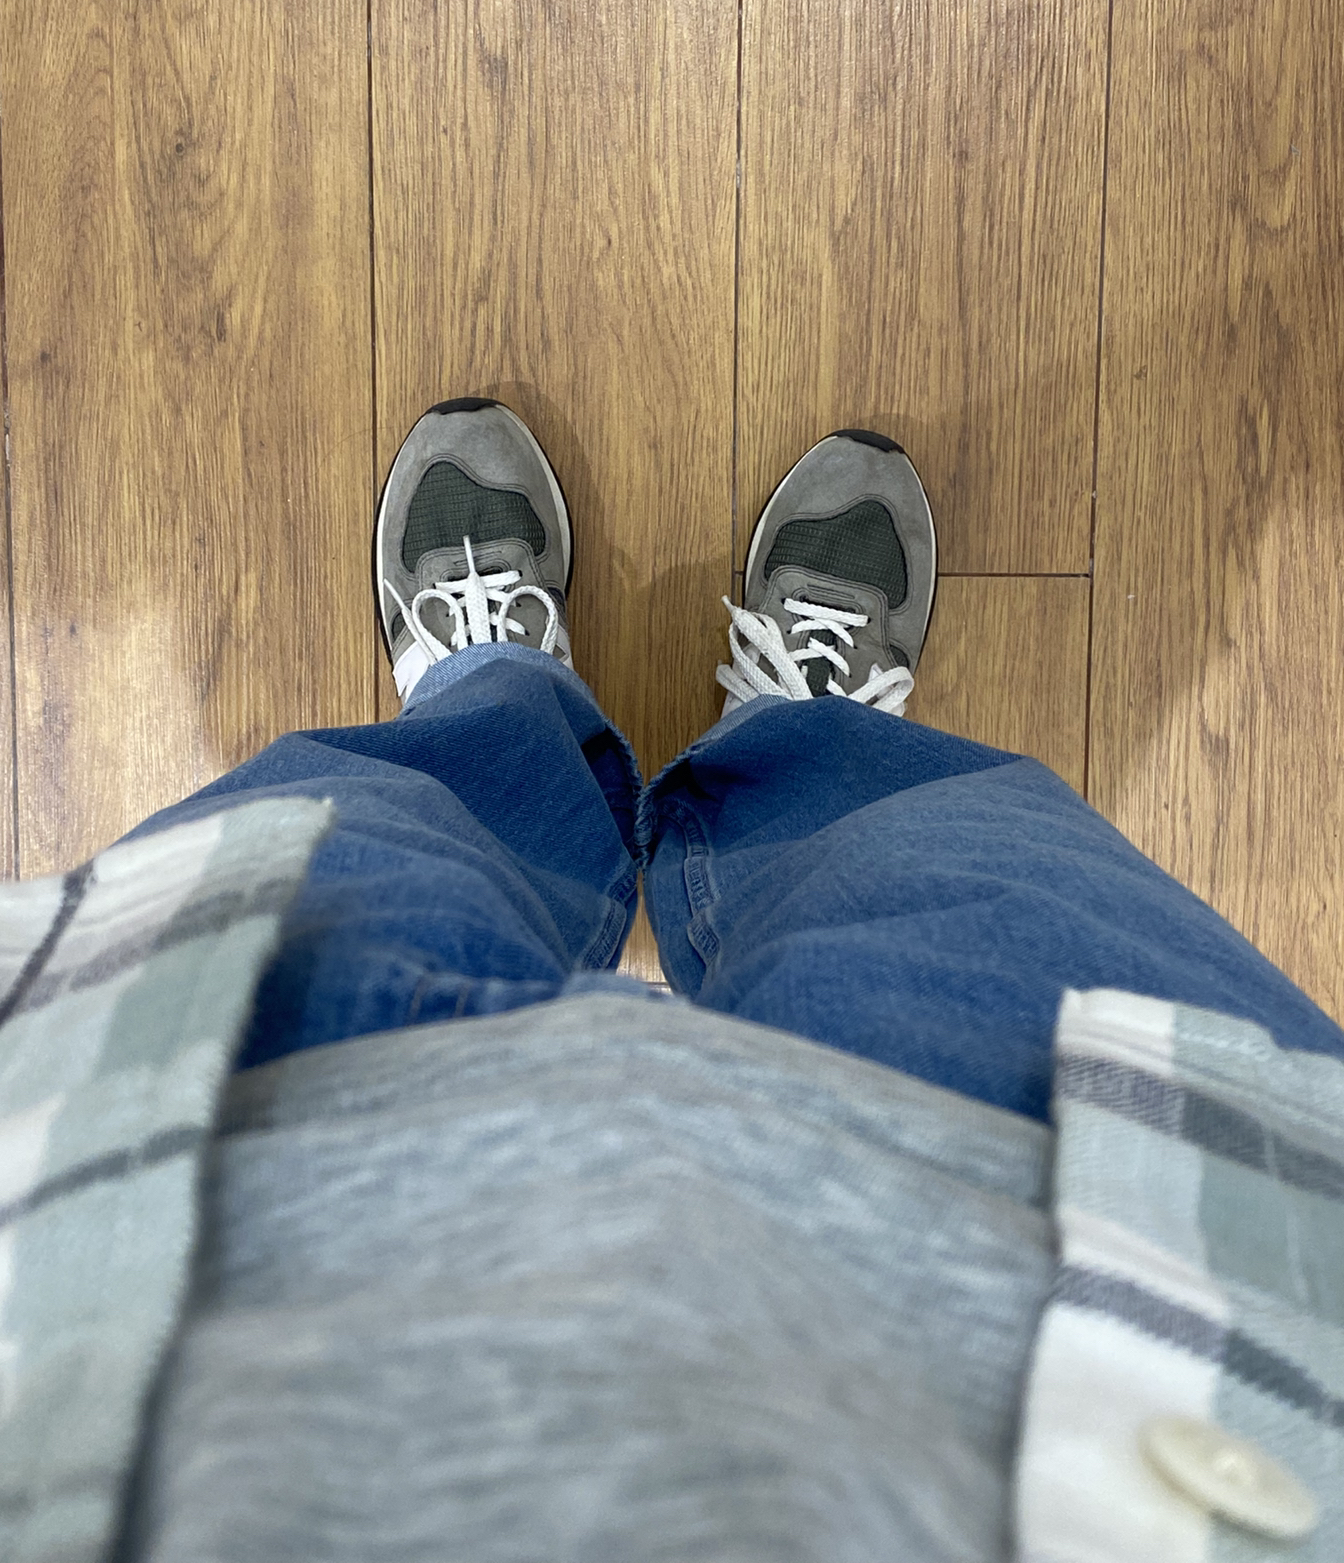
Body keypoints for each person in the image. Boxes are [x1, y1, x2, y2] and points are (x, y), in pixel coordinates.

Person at [16, 401, 1344, 1561]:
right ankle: (805, 730)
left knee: (382, 833)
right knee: (948, 864)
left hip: (199, 1220)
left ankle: (489, 690)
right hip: (1110, 1286)